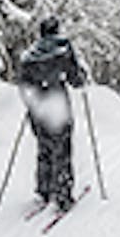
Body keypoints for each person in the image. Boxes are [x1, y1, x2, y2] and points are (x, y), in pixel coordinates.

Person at [17, 16, 85, 211]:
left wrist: (32, 101)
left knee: (44, 146)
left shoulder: (29, 55)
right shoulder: (63, 48)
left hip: (38, 107)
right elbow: (75, 77)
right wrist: (79, 79)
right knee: (62, 148)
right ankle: (62, 195)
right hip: (57, 104)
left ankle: (44, 190)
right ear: (57, 30)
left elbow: (22, 82)